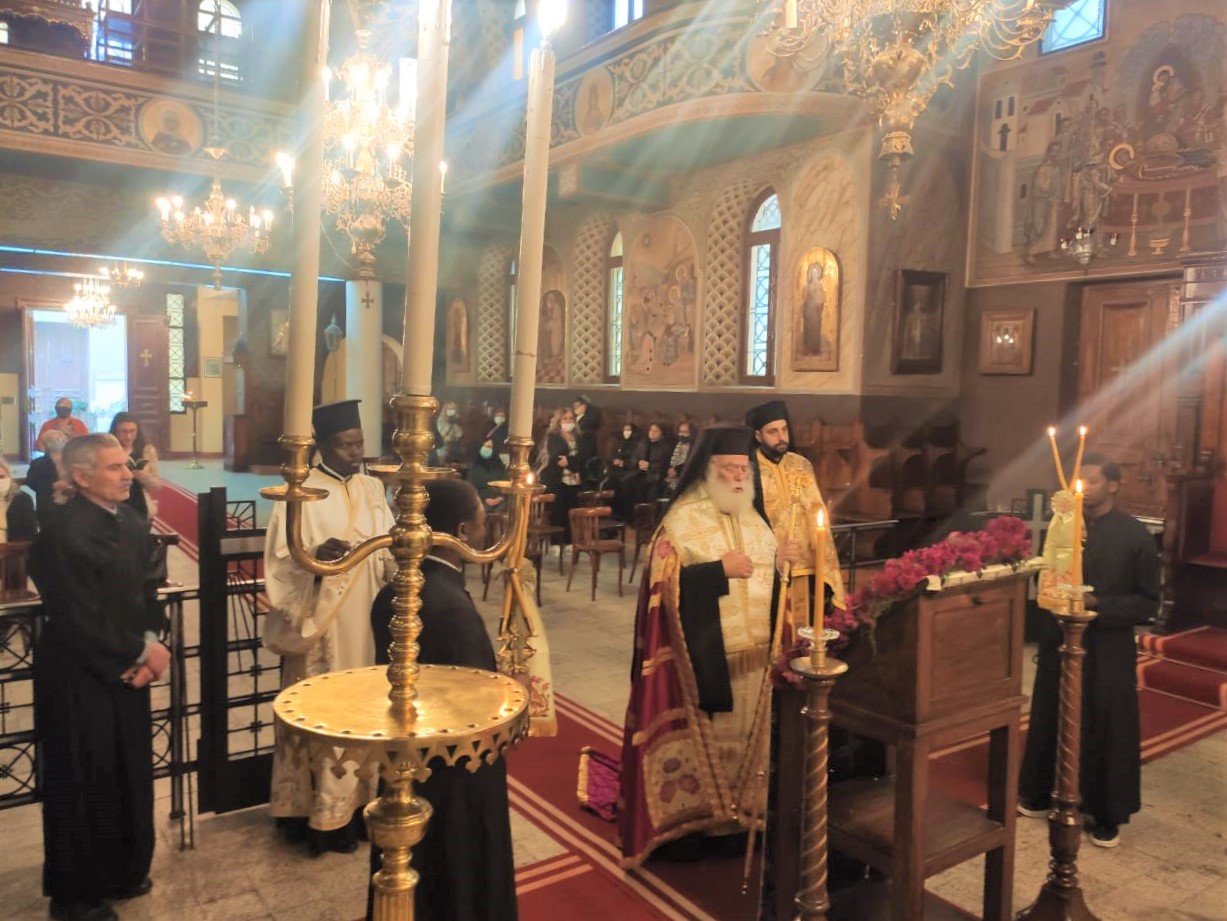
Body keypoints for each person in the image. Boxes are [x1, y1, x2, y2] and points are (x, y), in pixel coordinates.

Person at [618, 425, 800, 867]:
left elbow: (766, 584)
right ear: (707, 470)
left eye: (744, 469)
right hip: (703, 661)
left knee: (748, 746)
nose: (739, 477)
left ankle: (738, 823)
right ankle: (696, 827)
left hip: (755, 659)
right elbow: (663, 586)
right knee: (710, 747)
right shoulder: (681, 521)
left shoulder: (755, 519)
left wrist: (780, 563)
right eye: (730, 468)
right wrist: (718, 571)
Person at [30, 434, 169, 921]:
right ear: (81, 477)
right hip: (78, 675)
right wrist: (142, 650)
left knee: (127, 771)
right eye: (114, 468)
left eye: (126, 465)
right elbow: (74, 614)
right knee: (83, 780)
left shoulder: (130, 521)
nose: (128, 474)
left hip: (128, 670)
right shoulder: (62, 533)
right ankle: (76, 896)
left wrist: (149, 639)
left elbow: (149, 587)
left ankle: (124, 870)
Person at [365, 478, 517, 921]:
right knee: (453, 871)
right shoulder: (451, 608)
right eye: (482, 523)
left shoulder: (396, 590)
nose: (486, 532)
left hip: (404, 760)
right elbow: (475, 705)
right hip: (454, 775)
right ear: (462, 532)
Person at [264, 399, 396, 855]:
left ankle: (359, 808)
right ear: (322, 444)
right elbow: (281, 562)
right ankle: (316, 817)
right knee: (323, 712)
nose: (356, 452)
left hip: (368, 621)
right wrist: (316, 560)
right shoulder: (300, 493)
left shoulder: (373, 488)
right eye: (345, 445)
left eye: (359, 443)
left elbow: (389, 549)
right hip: (323, 623)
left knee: (364, 711)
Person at [1018, 454, 1160, 848]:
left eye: (1093, 481)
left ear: (1113, 485)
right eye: (1079, 481)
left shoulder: (1134, 535)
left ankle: (1106, 812)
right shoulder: (1062, 526)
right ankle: (1040, 792)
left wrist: (1098, 604)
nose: (1083, 488)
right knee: (1051, 712)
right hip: (1060, 639)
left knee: (1106, 723)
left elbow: (1147, 602)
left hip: (1107, 646)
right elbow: (1046, 576)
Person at [746, 401, 845, 628]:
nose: (781, 437)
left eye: (784, 429)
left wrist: (825, 561)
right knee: (776, 628)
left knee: (806, 629)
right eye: (773, 432)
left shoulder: (801, 465)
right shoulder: (749, 469)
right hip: (772, 567)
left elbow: (816, 510)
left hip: (806, 564)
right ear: (758, 435)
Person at [539, 406, 592, 542]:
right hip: (558, 481)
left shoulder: (579, 437)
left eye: (570, 419)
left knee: (572, 514)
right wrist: (572, 462)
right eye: (565, 419)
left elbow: (584, 457)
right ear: (559, 421)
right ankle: (557, 544)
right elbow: (557, 458)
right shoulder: (553, 437)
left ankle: (570, 543)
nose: (568, 421)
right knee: (558, 514)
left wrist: (569, 462)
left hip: (575, 481)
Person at [109, 412, 161, 522]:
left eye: (132, 431)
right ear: (115, 431)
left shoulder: (147, 450)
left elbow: (156, 486)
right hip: (113, 500)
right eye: (123, 431)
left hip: (139, 501)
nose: (128, 436)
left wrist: (143, 476)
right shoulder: (107, 450)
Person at [26, 429, 68, 527]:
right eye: (53, 439)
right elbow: (31, 482)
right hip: (47, 505)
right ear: (46, 444)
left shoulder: (73, 460)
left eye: (60, 438)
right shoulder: (38, 463)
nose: (58, 441)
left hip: (70, 504)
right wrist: (52, 486)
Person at [0, 456, 37, 542]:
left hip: (14, 548)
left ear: (9, 476)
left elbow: (30, 535)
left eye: (1, 477)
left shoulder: (23, 499)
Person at [467, 437, 509, 513]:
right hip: (480, 503)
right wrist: (484, 499)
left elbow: (507, 486)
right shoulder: (475, 468)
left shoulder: (501, 468)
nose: (485, 449)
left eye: (489, 447)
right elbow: (471, 488)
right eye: (484, 446)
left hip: (500, 503)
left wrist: (500, 498)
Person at [663, 419, 693, 495]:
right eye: (680, 432)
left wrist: (676, 470)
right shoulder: (674, 444)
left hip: (685, 476)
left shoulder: (694, 446)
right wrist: (669, 469)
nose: (682, 435)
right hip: (669, 476)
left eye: (685, 432)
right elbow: (666, 459)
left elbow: (692, 463)